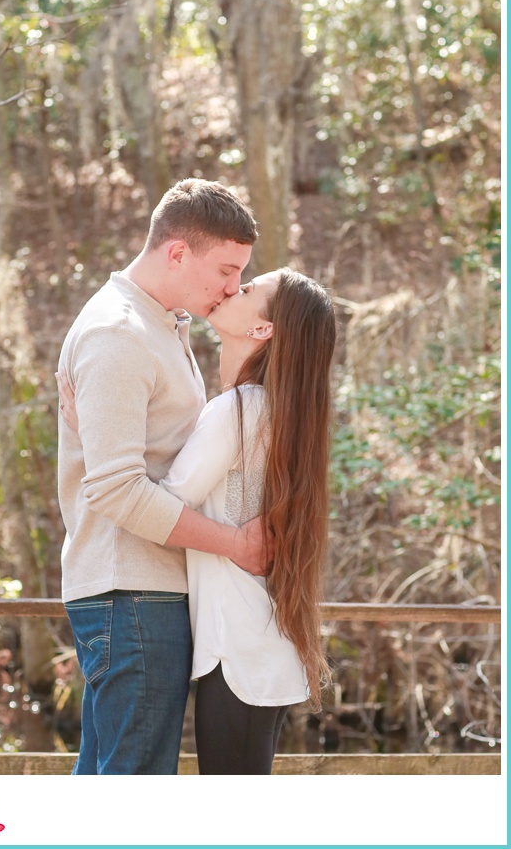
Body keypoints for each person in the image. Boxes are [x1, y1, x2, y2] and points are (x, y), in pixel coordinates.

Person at [59, 267, 337, 774]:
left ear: (262, 330)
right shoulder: (267, 409)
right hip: (254, 643)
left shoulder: (238, 409)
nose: (233, 286)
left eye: (248, 288)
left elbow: (158, 499)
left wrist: (96, 430)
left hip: (239, 650)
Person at [55, 178, 270, 776]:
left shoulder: (160, 326)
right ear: (177, 252)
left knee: (111, 780)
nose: (233, 288)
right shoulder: (118, 333)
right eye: (226, 270)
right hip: (133, 593)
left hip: (142, 590)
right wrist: (238, 545)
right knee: (138, 788)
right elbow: (117, 488)